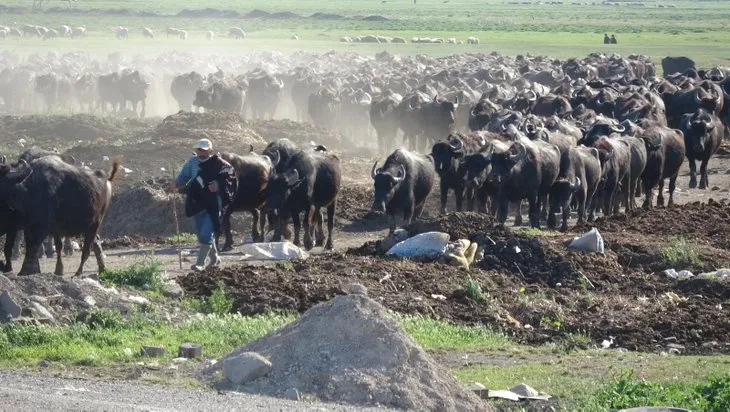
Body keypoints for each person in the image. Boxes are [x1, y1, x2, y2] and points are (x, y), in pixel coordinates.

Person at [173, 138, 236, 271]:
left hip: (213, 202)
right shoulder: (192, 162)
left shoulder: (220, 164)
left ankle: (200, 263)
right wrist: (177, 183)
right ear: (196, 150)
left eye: (204, 150)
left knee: (207, 233)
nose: (201, 153)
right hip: (197, 201)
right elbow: (184, 176)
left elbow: (230, 179)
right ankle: (215, 258)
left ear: (210, 151)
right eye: (199, 150)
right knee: (201, 234)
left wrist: (217, 184)